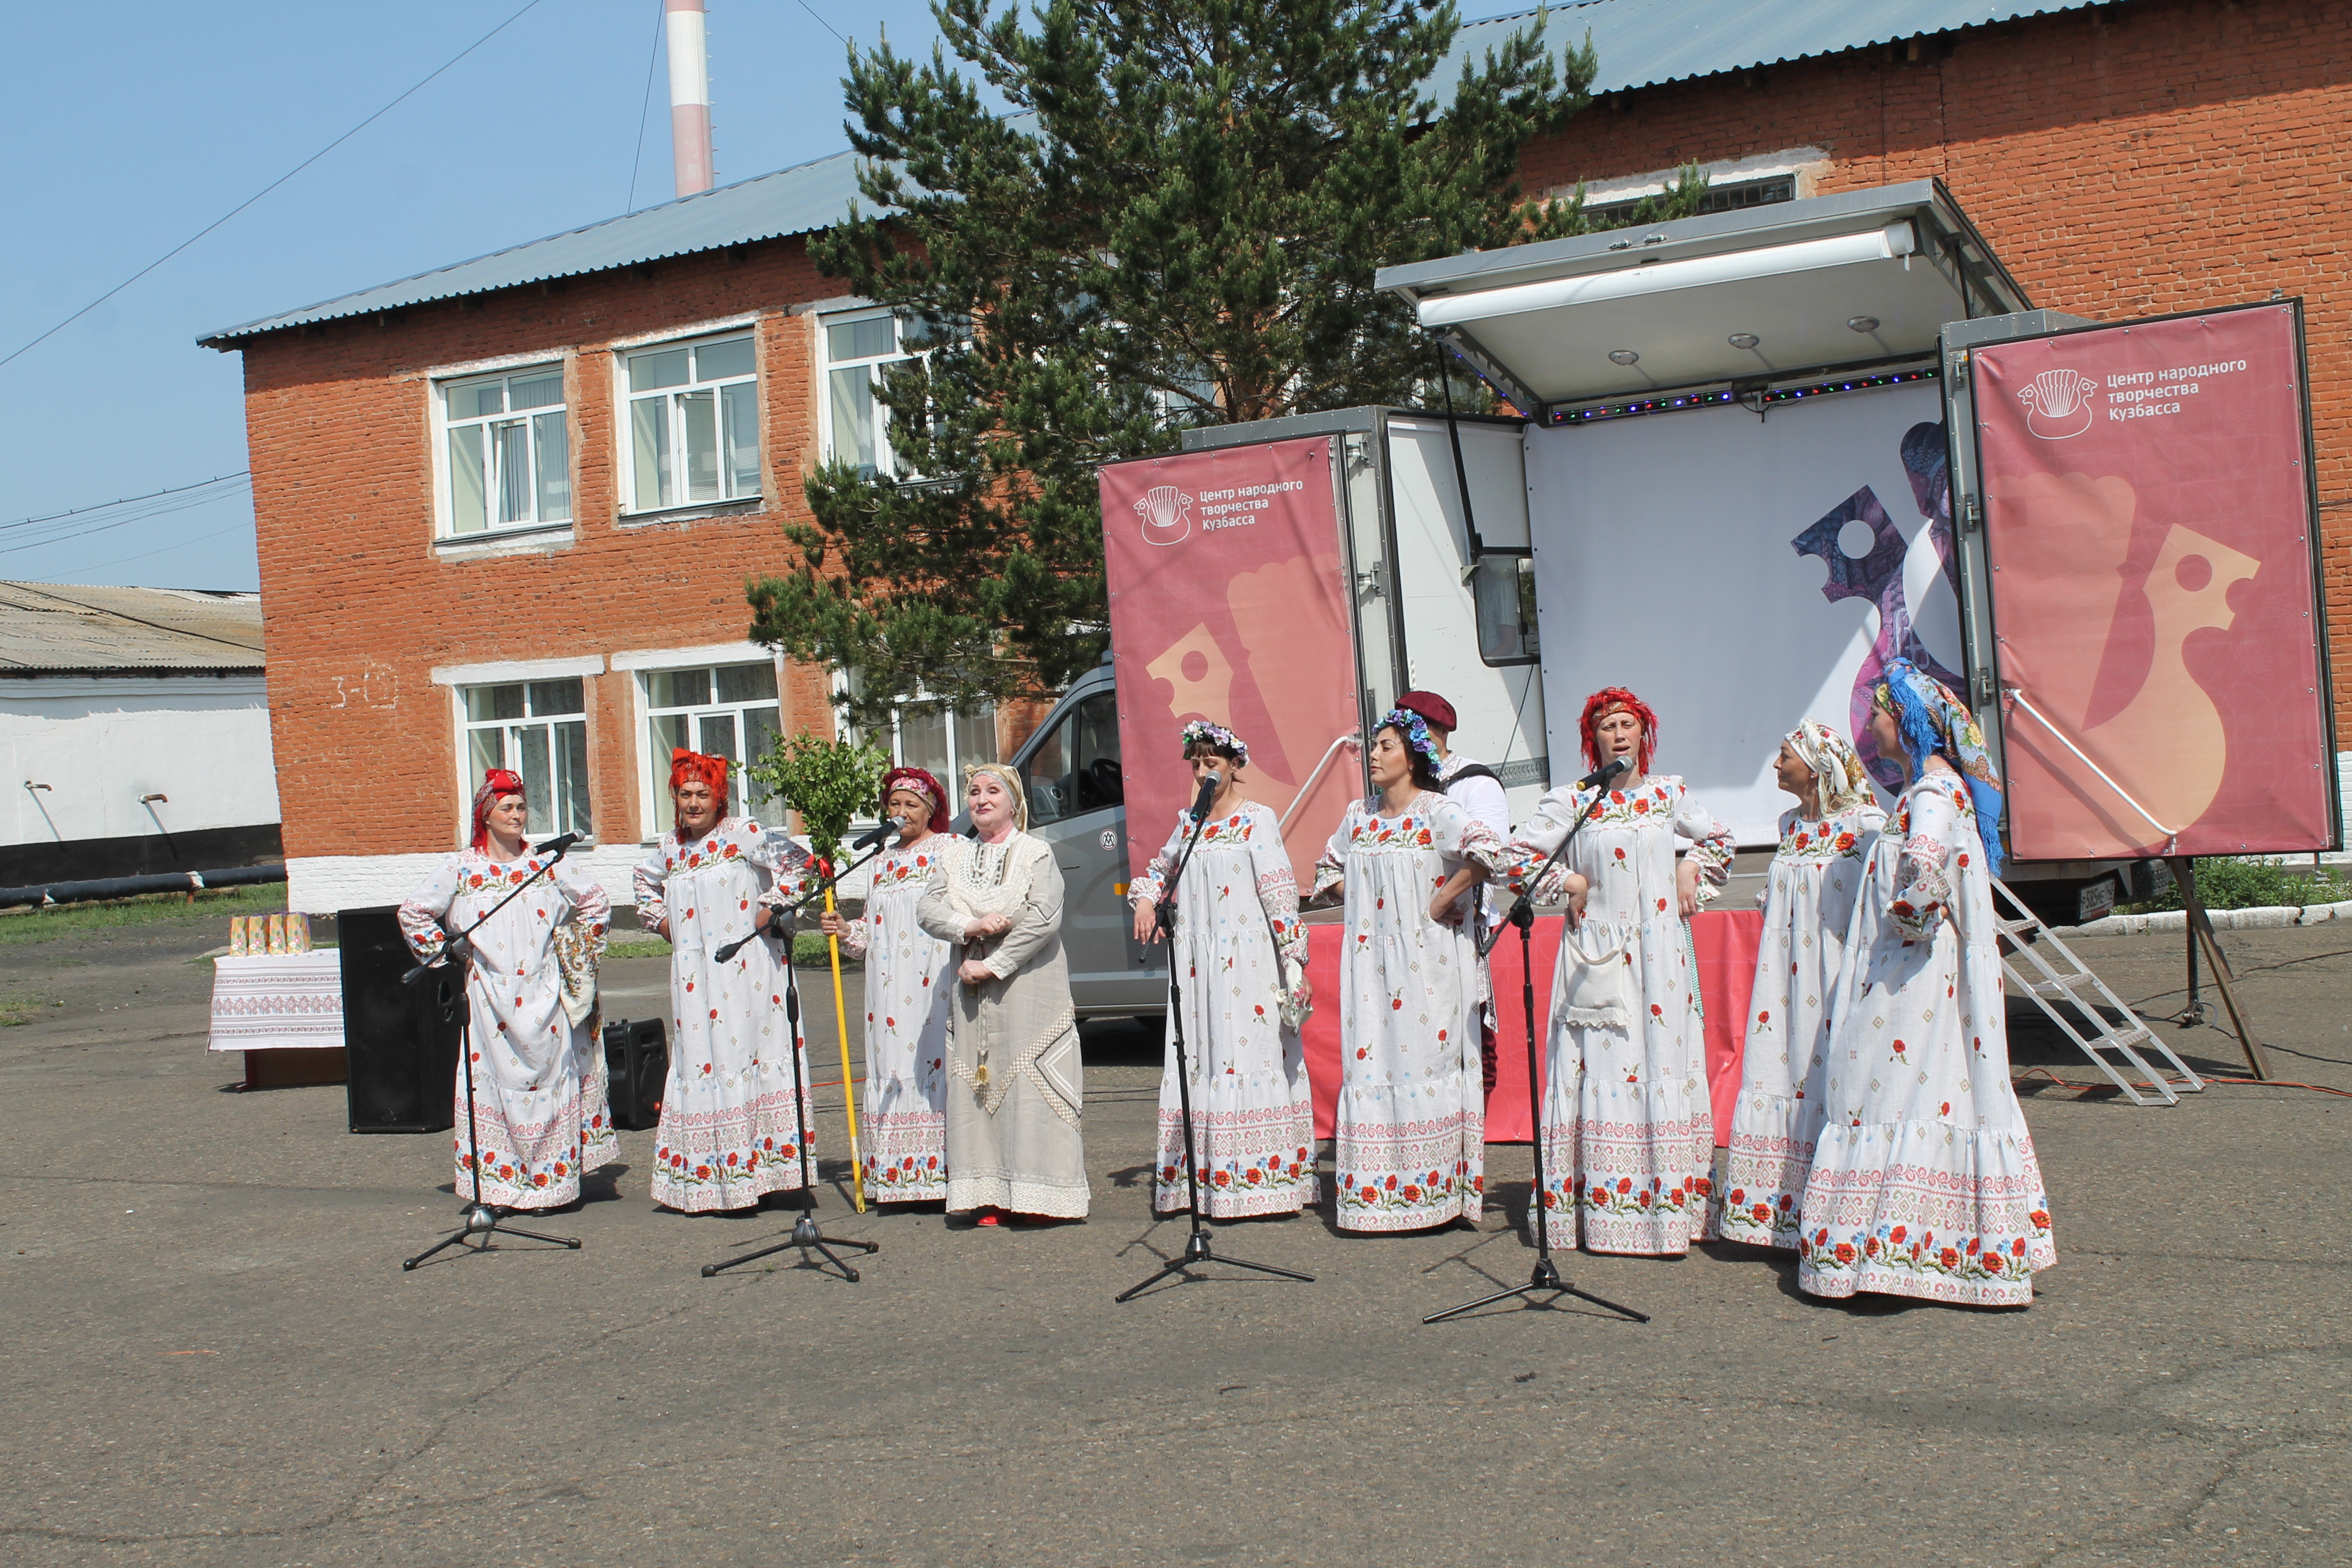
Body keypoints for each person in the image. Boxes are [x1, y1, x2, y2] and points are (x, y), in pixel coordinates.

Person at [1796, 660, 2055, 1306]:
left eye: (1880, 716)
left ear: (1908, 724)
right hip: (1918, 970)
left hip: (1912, 976)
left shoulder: (1933, 796)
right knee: (1925, 1090)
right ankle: (1916, 1241)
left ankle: (1890, 1243)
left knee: (1876, 1086)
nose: (1873, 727)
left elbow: (1924, 867)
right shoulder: (1928, 793)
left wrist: (1905, 924)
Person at [1500, 688, 1734, 1255]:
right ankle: (1599, 1212)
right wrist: (1570, 883)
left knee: (1661, 1062)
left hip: (1660, 959)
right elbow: (1515, 859)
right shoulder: (1574, 800)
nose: (1620, 734)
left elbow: (1721, 840)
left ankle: (1667, 1210)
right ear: (1593, 739)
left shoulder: (1667, 795)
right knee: (1602, 1067)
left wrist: (1691, 866)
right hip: (1599, 957)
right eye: (1608, 726)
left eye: (1628, 723)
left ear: (1644, 733)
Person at [1310, 707, 1499, 1233]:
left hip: (1430, 963)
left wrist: (1442, 899)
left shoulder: (1437, 811)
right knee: (1373, 1062)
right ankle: (1379, 1194)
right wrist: (1367, 903)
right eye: (1373, 747)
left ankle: (1436, 1192)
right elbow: (1329, 870)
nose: (1373, 755)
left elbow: (1488, 854)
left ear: (1412, 757)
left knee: (1426, 1063)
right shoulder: (1358, 815)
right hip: (1371, 964)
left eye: (1386, 746)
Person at [398, 768, 611, 1211]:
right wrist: (451, 955)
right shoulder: (460, 868)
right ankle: (501, 1187)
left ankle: (554, 1185)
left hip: (545, 991)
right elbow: (414, 912)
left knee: (550, 1084)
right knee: (494, 1086)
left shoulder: (547, 863)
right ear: (486, 815)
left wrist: (575, 954)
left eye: (521, 806)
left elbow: (596, 901)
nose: (517, 815)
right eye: (507, 808)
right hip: (489, 997)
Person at [1128, 720, 1316, 1218]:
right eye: (1196, 762)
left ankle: (1261, 1182)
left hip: (1248, 965)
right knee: (1204, 1057)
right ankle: (1205, 1179)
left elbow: (1279, 894)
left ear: (1235, 766)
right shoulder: (1189, 824)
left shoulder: (1258, 819)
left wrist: (1294, 960)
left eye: (1212, 762)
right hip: (1197, 966)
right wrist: (1146, 903)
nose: (1202, 770)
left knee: (1245, 1054)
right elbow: (1157, 871)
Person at [1719, 721, 1886, 1250]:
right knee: (1784, 1072)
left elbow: (1876, 907)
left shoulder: (1866, 826)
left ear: (1815, 767)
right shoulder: (1791, 824)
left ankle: (1838, 1210)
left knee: (1834, 1079)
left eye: (1785, 755)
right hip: (1785, 979)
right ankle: (1782, 1211)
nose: (1775, 764)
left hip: (1835, 972)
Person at [633, 749, 818, 1215]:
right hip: (695, 977)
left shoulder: (743, 834)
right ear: (674, 798)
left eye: (704, 793)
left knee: (747, 1055)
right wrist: (662, 924)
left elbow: (799, 863)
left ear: (720, 797)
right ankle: (713, 1176)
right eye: (685, 794)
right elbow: (641, 882)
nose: (694, 803)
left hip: (749, 969)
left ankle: (767, 1175)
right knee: (702, 1060)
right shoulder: (669, 848)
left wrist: (769, 908)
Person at [916, 763, 1090, 1223]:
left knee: (1030, 1081)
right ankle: (987, 1194)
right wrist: (969, 926)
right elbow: (928, 907)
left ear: (1014, 802)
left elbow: (1043, 916)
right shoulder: (952, 856)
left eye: (993, 791)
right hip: (972, 993)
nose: (981, 799)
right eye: (973, 792)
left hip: (1028, 984)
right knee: (980, 1082)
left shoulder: (1036, 853)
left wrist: (992, 964)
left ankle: (1039, 1196)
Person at [819, 767, 955, 1204]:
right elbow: (869, 933)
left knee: (933, 1060)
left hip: (933, 977)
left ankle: (944, 1172)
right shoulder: (877, 863)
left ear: (930, 810)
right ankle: (896, 1176)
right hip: (887, 985)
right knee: (889, 1063)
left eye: (910, 805)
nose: (900, 813)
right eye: (893, 805)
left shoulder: (950, 849)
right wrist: (845, 929)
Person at [1394, 688, 1510, 1092]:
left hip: (1461, 924)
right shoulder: (1400, 782)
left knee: (1470, 1029)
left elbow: (1494, 851)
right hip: (1409, 927)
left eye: (1409, 731)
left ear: (1433, 733)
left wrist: (1442, 899)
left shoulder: (1474, 782)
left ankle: (1472, 1131)